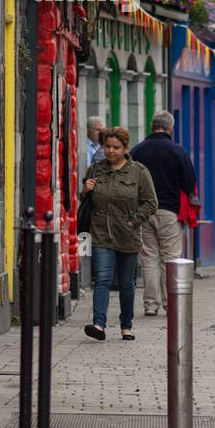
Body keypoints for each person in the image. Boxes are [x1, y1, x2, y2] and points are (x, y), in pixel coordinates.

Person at [80, 127, 158, 342]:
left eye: (116, 147)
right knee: (103, 279)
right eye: (107, 147)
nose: (111, 151)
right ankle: (98, 324)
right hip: (101, 234)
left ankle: (126, 325)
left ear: (126, 149)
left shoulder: (139, 171)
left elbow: (151, 203)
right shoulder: (95, 169)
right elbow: (85, 202)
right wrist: (85, 190)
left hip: (128, 234)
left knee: (126, 284)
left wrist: (132, 220)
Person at [131, 110, 198, 316]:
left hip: (143, 210)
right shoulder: (178, 151)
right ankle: (171, 304)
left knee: (148, 257)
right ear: (170, 128)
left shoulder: (137, 150)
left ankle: (151, 305)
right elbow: (189, 182)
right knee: (170, 258)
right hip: (169, 210)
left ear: (152, 126)